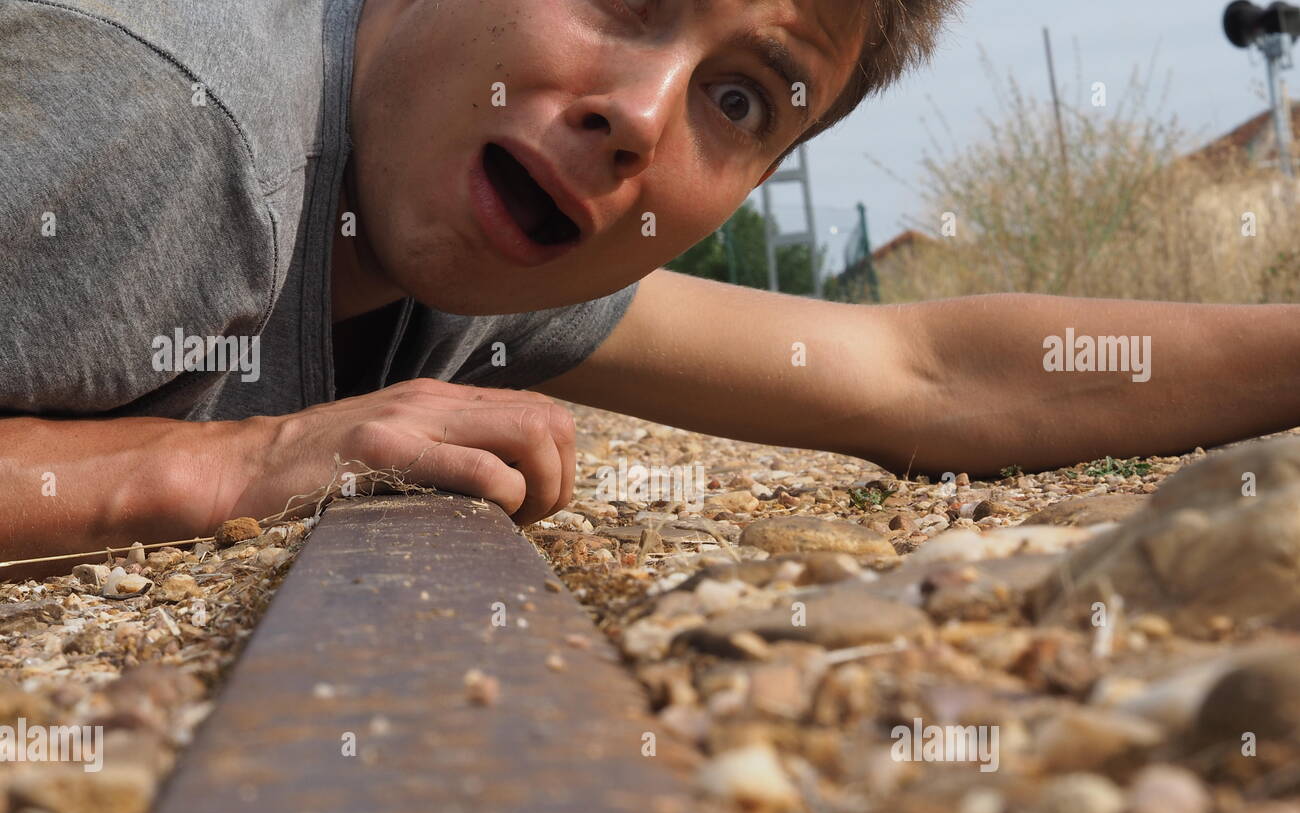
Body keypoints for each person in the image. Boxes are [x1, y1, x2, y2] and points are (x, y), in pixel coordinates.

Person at [3, 0, 1297, 572]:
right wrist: (200, 471)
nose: (641, 114)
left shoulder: (473, 238)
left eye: (739, 98)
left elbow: (923, 373)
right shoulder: (164, 130)